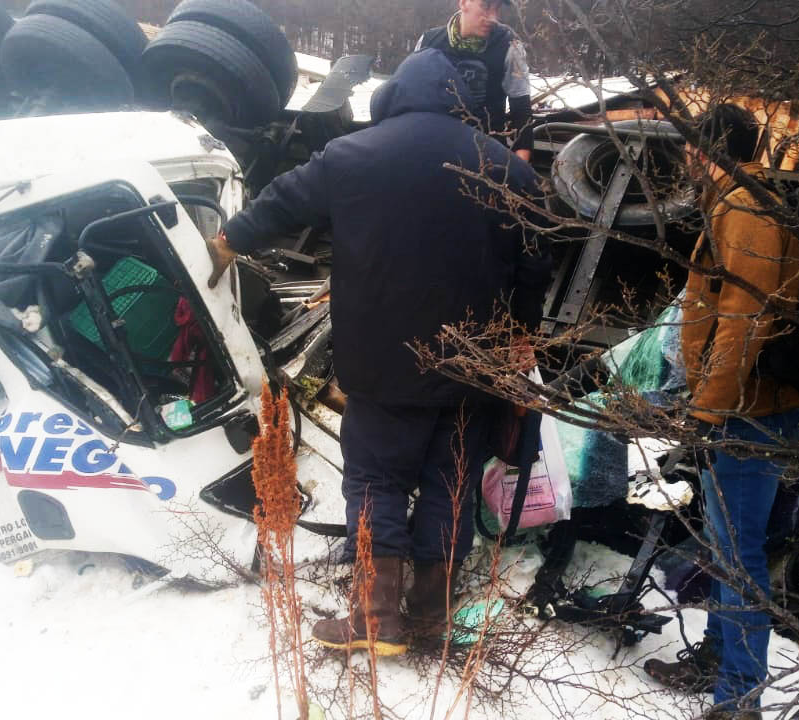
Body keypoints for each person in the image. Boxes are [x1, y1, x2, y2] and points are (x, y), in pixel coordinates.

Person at [207, 49, 549, 656]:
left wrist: (229, 240)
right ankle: (428, 618)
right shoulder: (506, 170)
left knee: (376, 480)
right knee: (451, 485)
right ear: (460, 103)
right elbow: (533, 267)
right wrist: (520, 337)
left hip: (381, 364)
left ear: (391, 99)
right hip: (472, 367)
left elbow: (282, 202)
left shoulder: (351, 157)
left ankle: (375, 619)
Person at [642, 104, 799, 719]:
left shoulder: (745, 210)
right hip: (740, 405)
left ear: (704, 148)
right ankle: (718, 658)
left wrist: (708, 412)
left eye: (689, 146)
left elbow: (743, 319)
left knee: (740, 555)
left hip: (748, 410)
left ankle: (739, 699)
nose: (685, 158)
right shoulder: (736, 201)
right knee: (725, 542)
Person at [415, 0, 534, 162]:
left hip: (485, 158)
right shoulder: (428, 42)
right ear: (464, 3)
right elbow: (412, 100)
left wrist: (521, 169)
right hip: (433, 151)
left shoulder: (509, 47)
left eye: (497, 8)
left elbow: (521, 111)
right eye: (485, 6)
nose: (493, 17)